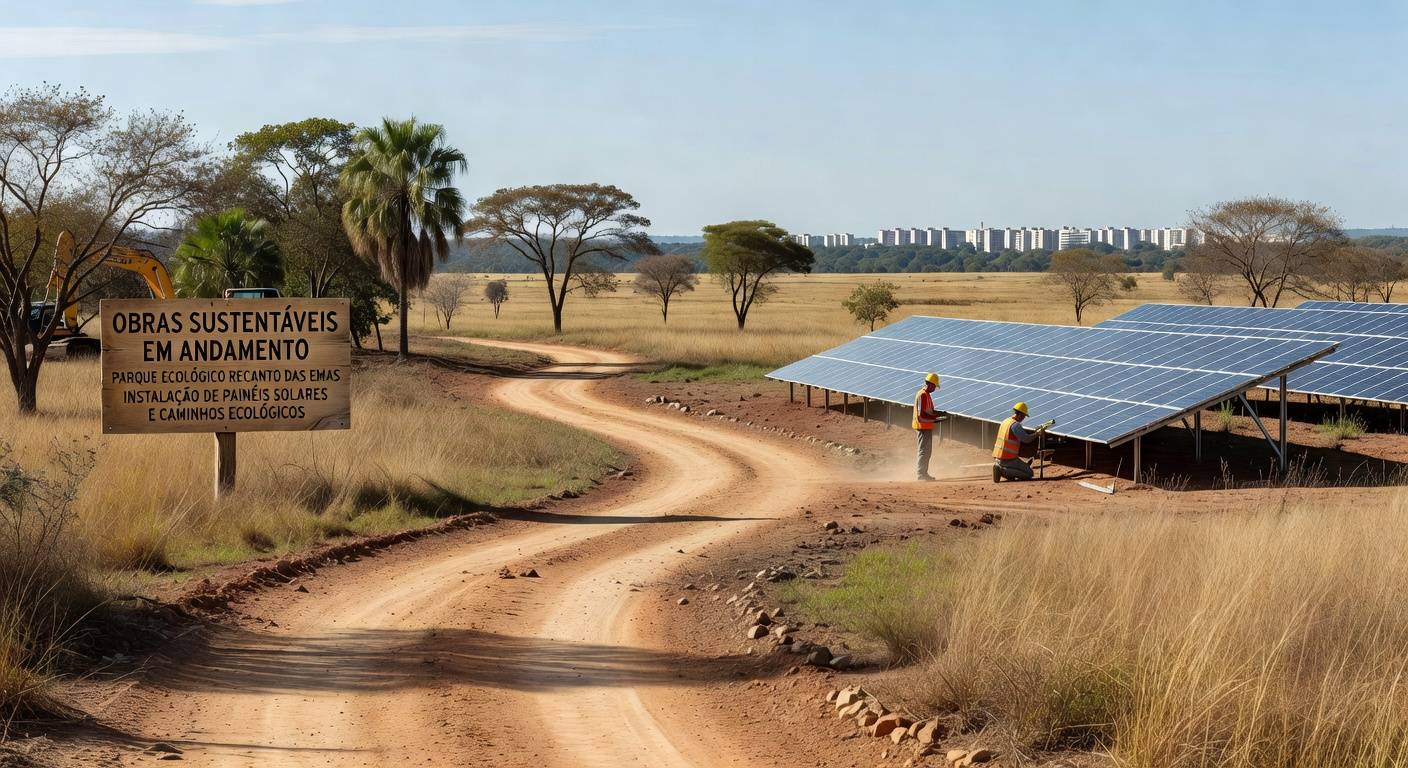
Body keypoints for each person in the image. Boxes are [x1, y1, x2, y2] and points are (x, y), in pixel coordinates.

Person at [992, 401, 1047, 481]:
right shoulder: (1015, 425)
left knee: (1017, 473)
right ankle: (1002, 470)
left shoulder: (1006, 421)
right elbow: (1026, 439)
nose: (1024, 418)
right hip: (1009, 459)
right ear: (1021, 415)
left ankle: (1003, 469)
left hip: (999, 458)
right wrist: (1037, 434)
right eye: (1024, 416)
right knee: (1029, 474)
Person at [912, 372, 941, 481]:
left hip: (927, 426)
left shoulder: (927, 395)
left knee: (927, 451)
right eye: (934, 386)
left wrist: (939, 415)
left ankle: (924, 473)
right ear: (931, 384)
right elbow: (921, 415)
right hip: (922, 427)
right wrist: (934, 419)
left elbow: (929, 411)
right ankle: (921, 474)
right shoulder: (922, 395)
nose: (934, 389)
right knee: (923, 451)